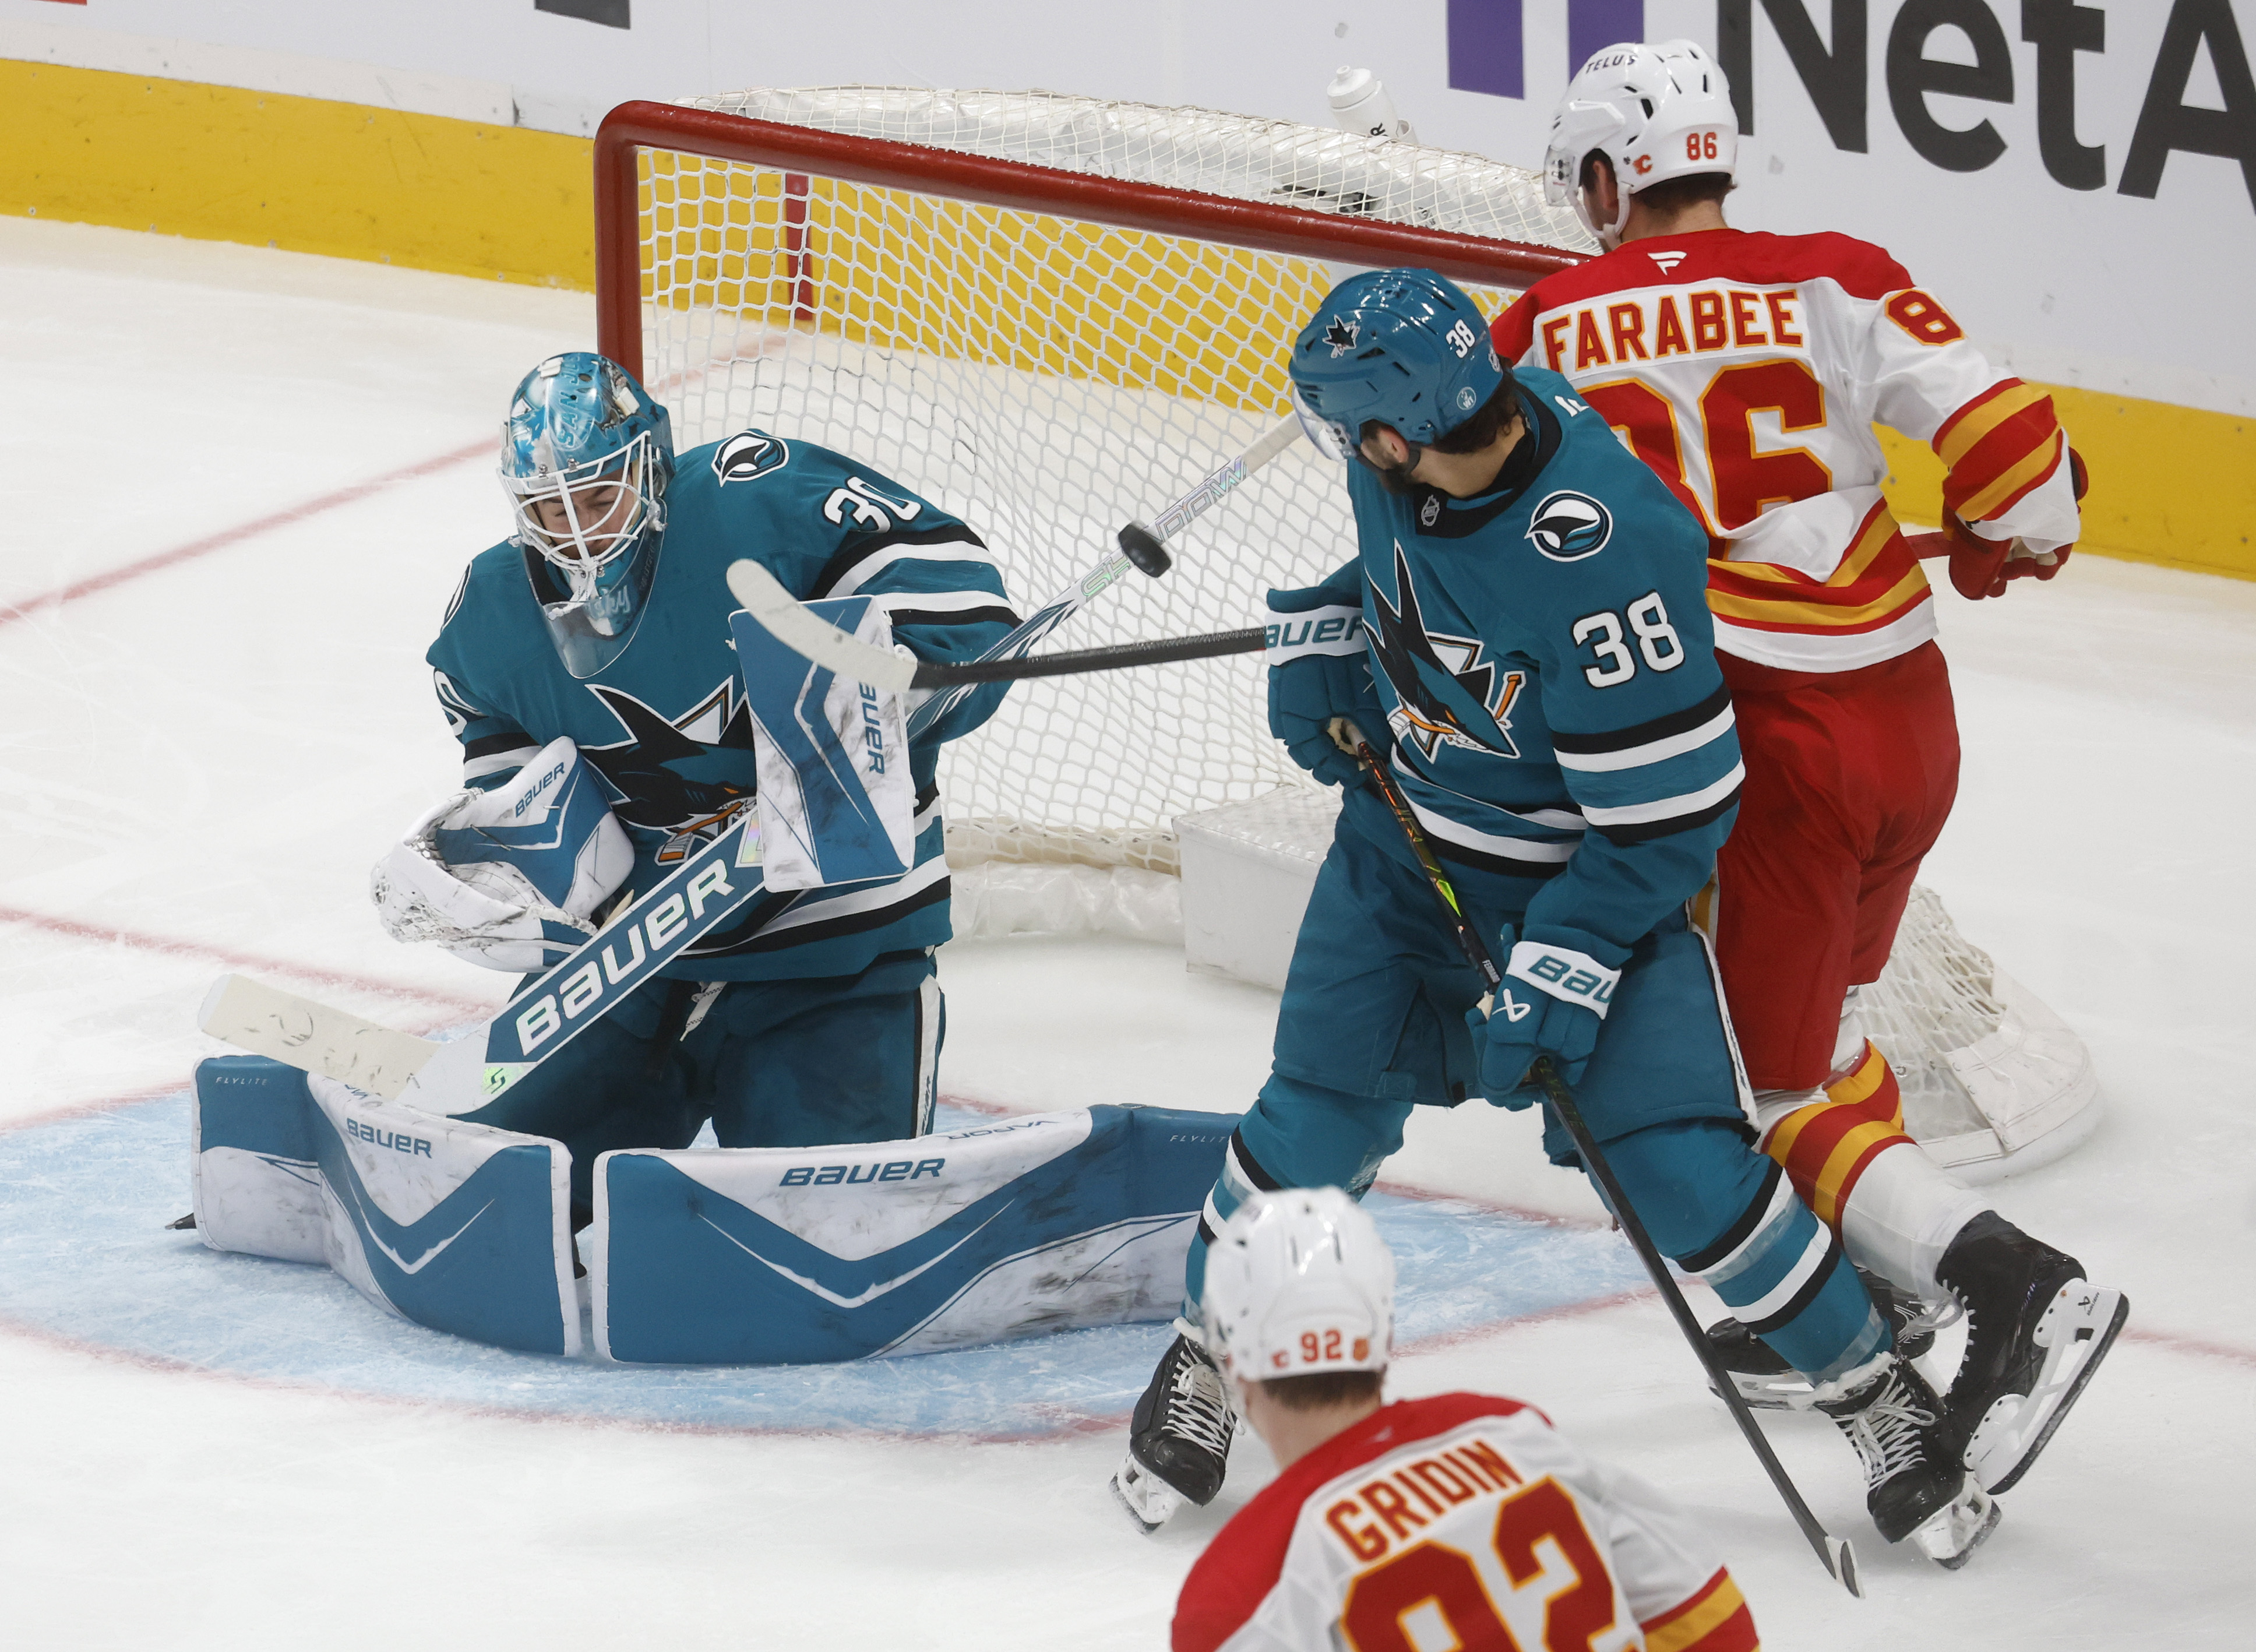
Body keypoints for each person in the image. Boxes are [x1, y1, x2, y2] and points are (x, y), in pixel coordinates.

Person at [1115, 269, 1987, 1563]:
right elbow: (1397, 567)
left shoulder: (1609, 562)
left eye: (1351, 432)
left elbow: (1672, 817)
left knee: (1687, 1175)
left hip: (1591, 891)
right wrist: (1328, 640)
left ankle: (1876, 1395)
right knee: (1308, 1121)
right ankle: (1204, 1347)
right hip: (1401, 868)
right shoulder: (1422, 451)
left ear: (1397, 431)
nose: (1348, 455)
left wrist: (1564, 960)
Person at [1496, 39, 2125, 1498]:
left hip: (1760, 758)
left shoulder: (1540, 325)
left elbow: (1496, 543)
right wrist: (2004, 539)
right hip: (1907, 723)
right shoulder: (1835, 269)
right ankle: (1879, 1297)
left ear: (1606, 178)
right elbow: (2021, 451)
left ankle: (2008, 1283)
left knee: (1767, 1094)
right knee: (1830, 1036)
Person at [369, 351, 1017, 1223]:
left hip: (832, 949)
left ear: (652, 464)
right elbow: (523, 783)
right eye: (546, 511)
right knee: (487, 1196)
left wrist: (893, 668)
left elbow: (964, 598)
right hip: (629, 965)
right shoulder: (490, 614)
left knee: (829, 1230)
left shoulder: (763, 498)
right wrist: (503, 860)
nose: (579, 534)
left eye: (599, 497)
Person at [1173, 1188, 1760, 1652]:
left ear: (1231, 1357)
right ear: (1381, 1335)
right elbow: (1707, 1617)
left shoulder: (1240, 1591)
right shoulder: (1509, 1434)